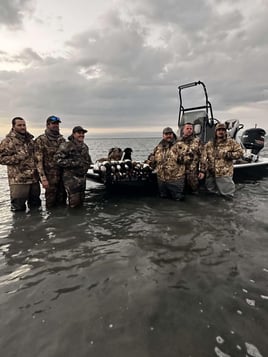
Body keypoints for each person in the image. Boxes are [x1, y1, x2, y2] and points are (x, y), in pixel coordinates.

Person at [0, 117, 41, 211]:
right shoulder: (8, 141)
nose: (22, 127)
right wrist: (17, 157)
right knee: (18, 209)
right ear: (13, 127)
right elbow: (1, 158)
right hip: (18, 180)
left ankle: (37, 225)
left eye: (24, 125)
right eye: (19, 125)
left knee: (36, 207)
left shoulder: (30, 140)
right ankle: (20, 226)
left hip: (34, 180)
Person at [147, 127, 191, 201]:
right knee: (164, 200)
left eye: (170, 134)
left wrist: (181, 159)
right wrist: (151, 160)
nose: (168, 136)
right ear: (163, 135)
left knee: (178, 200)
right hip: (161, 180)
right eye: (166, 134)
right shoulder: (159, 147)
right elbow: (152, 157)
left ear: (172, 134)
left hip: (176, 179)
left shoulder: (180, 145)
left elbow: (190, 156)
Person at [55, 126, 92, 208]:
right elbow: (57, 160)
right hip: (71, 179)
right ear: (74, 134)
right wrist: (74, 163)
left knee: (81, 201)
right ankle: (71, 218)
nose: (81, 135)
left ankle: (80, 219)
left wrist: (87, 165)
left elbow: (88, 160)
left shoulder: (84, 147)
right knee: (74, 202)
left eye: (83, 133)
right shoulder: (66, 145)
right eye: (79, 133)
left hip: (82, 178)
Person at [204, 122, 244, 198]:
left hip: (224, 174)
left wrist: (228, 155)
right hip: (211, 175)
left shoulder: (231, 142)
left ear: (225, 132)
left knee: (227, 197)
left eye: (223, 130)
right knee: (211, 197)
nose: (221, 132)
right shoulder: (210, 144)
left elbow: (240, 153)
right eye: (219, 130)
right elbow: (203, 156)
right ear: (215, 132)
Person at [35, 115, 66, 208]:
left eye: (57, 124)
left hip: (62, 176)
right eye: (53, 124)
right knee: (51, 202)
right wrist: (43, 178)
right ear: (48, 125)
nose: (56, 125)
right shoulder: (41, 140)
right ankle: (50, 222)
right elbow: (38, 161)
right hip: (49, 177)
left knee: (63, 200)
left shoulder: (62, 140)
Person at [177, 122, 205, 193]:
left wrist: (202, 170)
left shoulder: (197, 141)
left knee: (195, 191)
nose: (189, 130)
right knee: (181, 192)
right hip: (180, 172)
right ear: (183, 130)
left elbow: (203, 156)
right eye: (187, 128)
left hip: (193, 173)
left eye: (191, 129)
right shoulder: (178, 142)